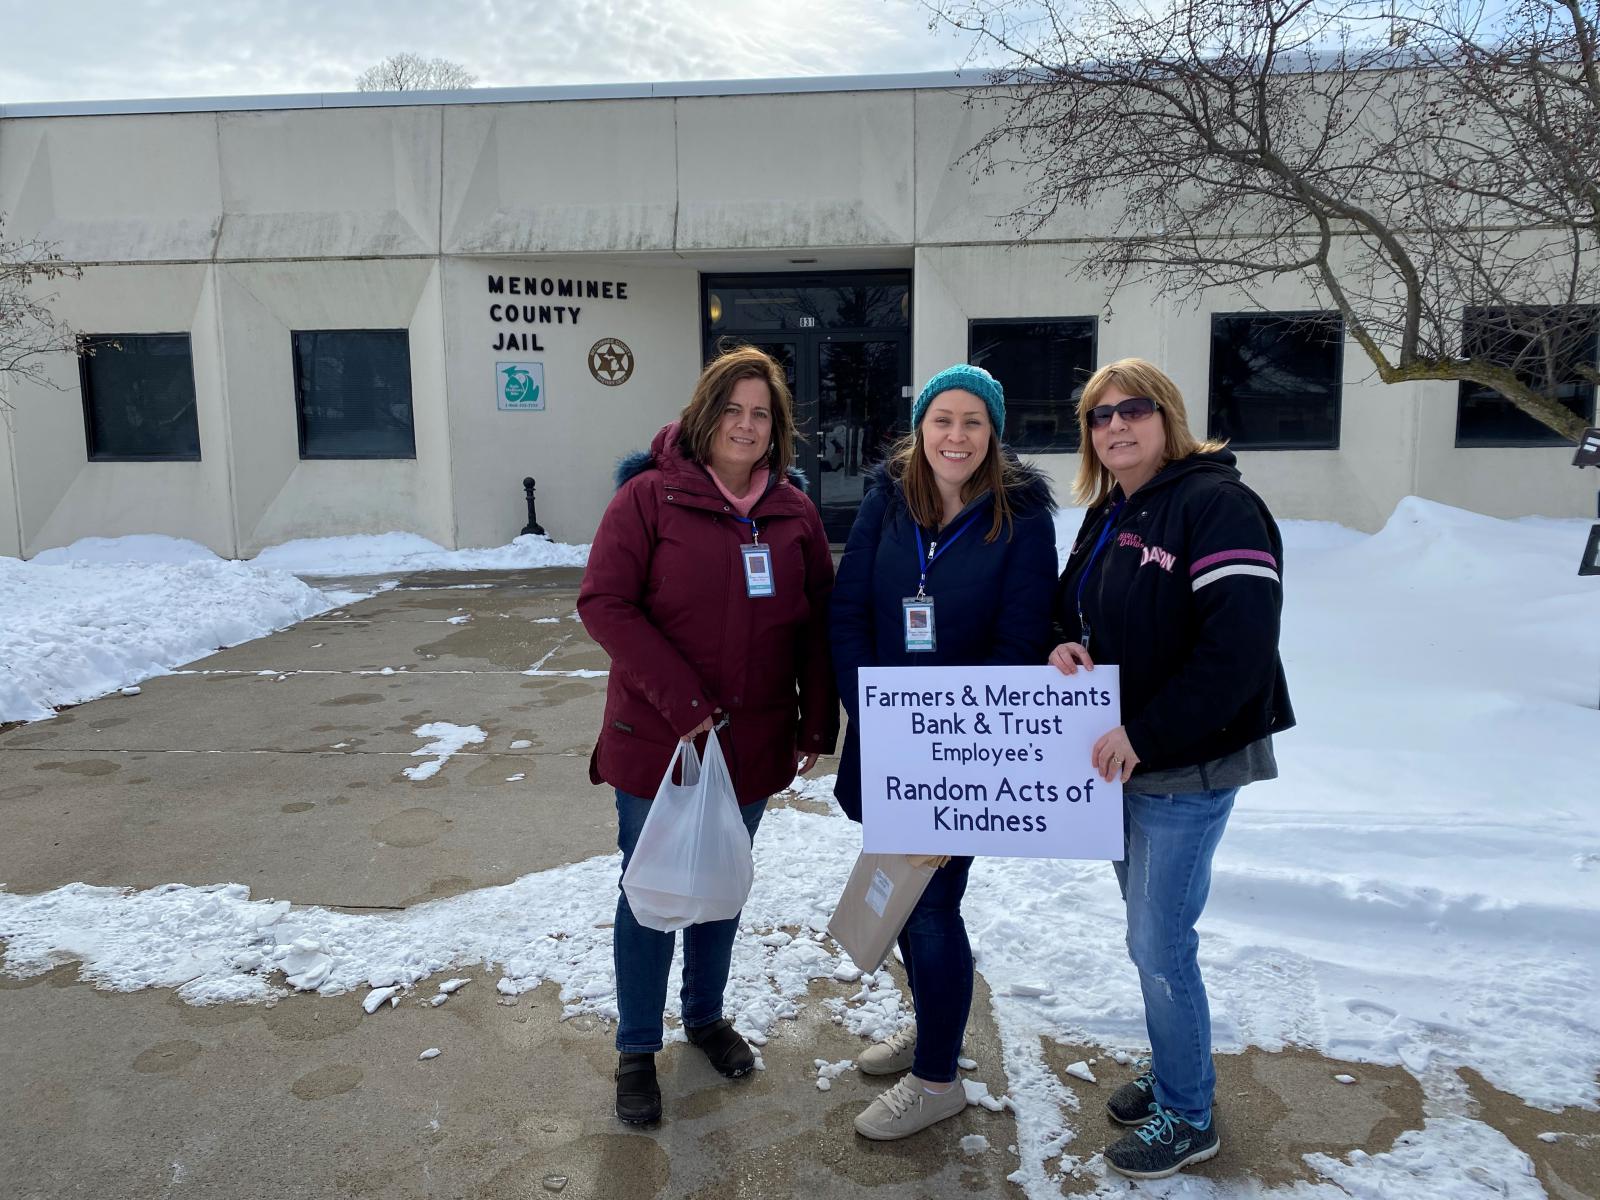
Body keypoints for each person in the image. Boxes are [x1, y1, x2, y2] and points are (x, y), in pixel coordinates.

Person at [578, 345, 839, 1126]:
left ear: (777, 429)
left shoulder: (793, 515)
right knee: (652, 892)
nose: (747, 424)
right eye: (733, 408)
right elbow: (605, 603)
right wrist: (683, 700)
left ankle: (704, 1018)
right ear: (705, 414)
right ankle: (635, 1048)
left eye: (762, 413)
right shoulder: (649, 499)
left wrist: (817, 719)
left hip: (751, 745)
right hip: (658, 743)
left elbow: (814, 629)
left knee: (721, 886)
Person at [1050, 358, 1294, 1180]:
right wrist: (1062, 640)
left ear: (1169, 417)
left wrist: (1146, 735)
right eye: (1099, 415)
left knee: (1160, 942)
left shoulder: (1215, 504)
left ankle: (1189, 1113)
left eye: (1135, 410)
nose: (1116, 425)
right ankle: (1176, 1065)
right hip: (1128, 765)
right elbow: (1067, 605)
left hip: (1187, 767)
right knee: (1148, 936)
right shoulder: (1112, 512)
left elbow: (1238, 651)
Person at [830, 363, 1058, 1140]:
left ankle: (937, 1079)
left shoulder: (1021, 514)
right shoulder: (888, 499)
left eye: (972, 422)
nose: (955, 436)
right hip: (887, 741)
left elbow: (1022, 635)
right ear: (920, 428)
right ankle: (935, 1031)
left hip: (964, 752)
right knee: (906, 895)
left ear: (993, 433)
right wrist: (877, 710)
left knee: (930, 906)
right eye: (942, 420)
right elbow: (851, 608)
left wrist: (947, 733)